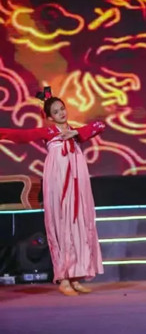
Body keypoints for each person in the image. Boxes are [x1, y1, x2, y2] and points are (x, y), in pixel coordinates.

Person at [0, 87, 105, 295]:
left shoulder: (75, 132)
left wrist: (76, 133)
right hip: (59, 181)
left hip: (77, 184)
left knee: (78, 225)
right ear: (49, 117)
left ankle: (76, 276)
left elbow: (100, 125)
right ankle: (64, 279)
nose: (61, 113)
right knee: (62, 225)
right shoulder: (48, 133)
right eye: (56, 112)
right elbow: (21, 135)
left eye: (62, 109)